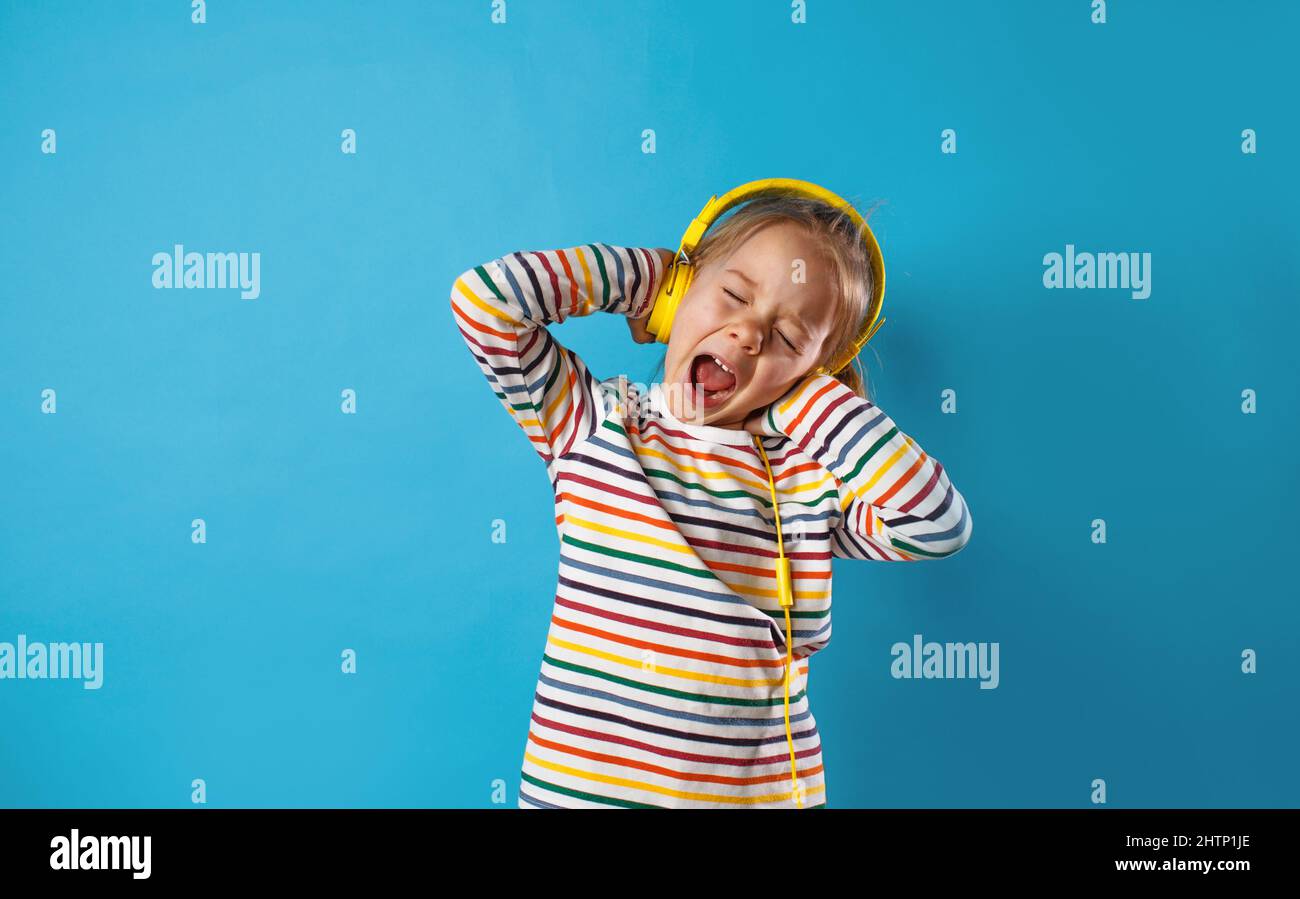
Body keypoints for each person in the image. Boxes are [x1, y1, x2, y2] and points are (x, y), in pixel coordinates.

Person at [449, 194, 973, 808]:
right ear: (681, 294)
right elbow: (486, 301)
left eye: (786, 336)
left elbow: (936, 523)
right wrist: (650, 283)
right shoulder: (595, 421)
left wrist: (805, 400)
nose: (748, 333)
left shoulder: (806, 481)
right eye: (733, 295)